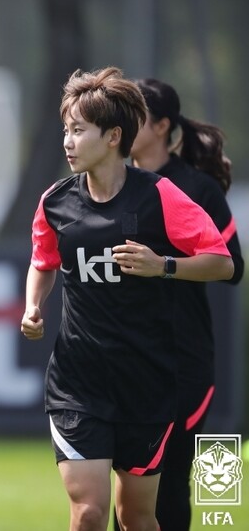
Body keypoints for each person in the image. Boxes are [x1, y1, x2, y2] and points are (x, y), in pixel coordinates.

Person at [20, 67, 234, 531]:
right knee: (90, 513)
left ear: (113, 135)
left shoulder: (162, 197)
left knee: (136, 517)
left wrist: (165, 265)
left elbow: (222, 262)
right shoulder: (55, 202)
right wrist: (33, 305)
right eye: (65, 130)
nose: (67, 141)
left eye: (78, 130)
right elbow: (43, 261)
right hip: (78, 384)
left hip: (147, 383)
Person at [125, 78, 244, 530]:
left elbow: (232, 267)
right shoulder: (107, 184)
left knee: (169, 485)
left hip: (180, 362)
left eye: (134, 115)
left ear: (161, 126)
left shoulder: (197, 188)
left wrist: (166, 266)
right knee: (122, 489)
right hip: (121, 360)